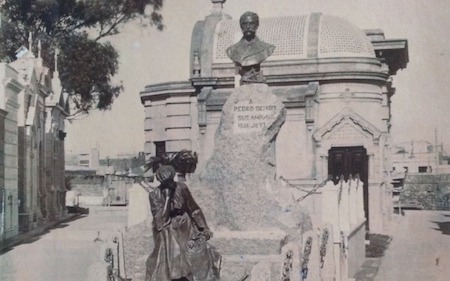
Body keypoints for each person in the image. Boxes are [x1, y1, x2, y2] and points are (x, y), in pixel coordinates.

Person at [145, 165, 221, 281]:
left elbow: (194, 209)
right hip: (166, 228)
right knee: (173, 251)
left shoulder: (182, 188)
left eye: (171, 181)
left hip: (185, 224)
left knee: (198, 251)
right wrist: (167, 198)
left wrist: (204, 227)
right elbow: (161, 221)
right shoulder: (154, 195)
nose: (170, 185)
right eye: (165, 183)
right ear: (160, 182)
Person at [226, 11, 275, 84]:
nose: (248, 27)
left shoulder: (267, 48)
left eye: (251, 23)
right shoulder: (231, 50)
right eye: (244, 24)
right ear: (241, 26)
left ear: (257, 25)